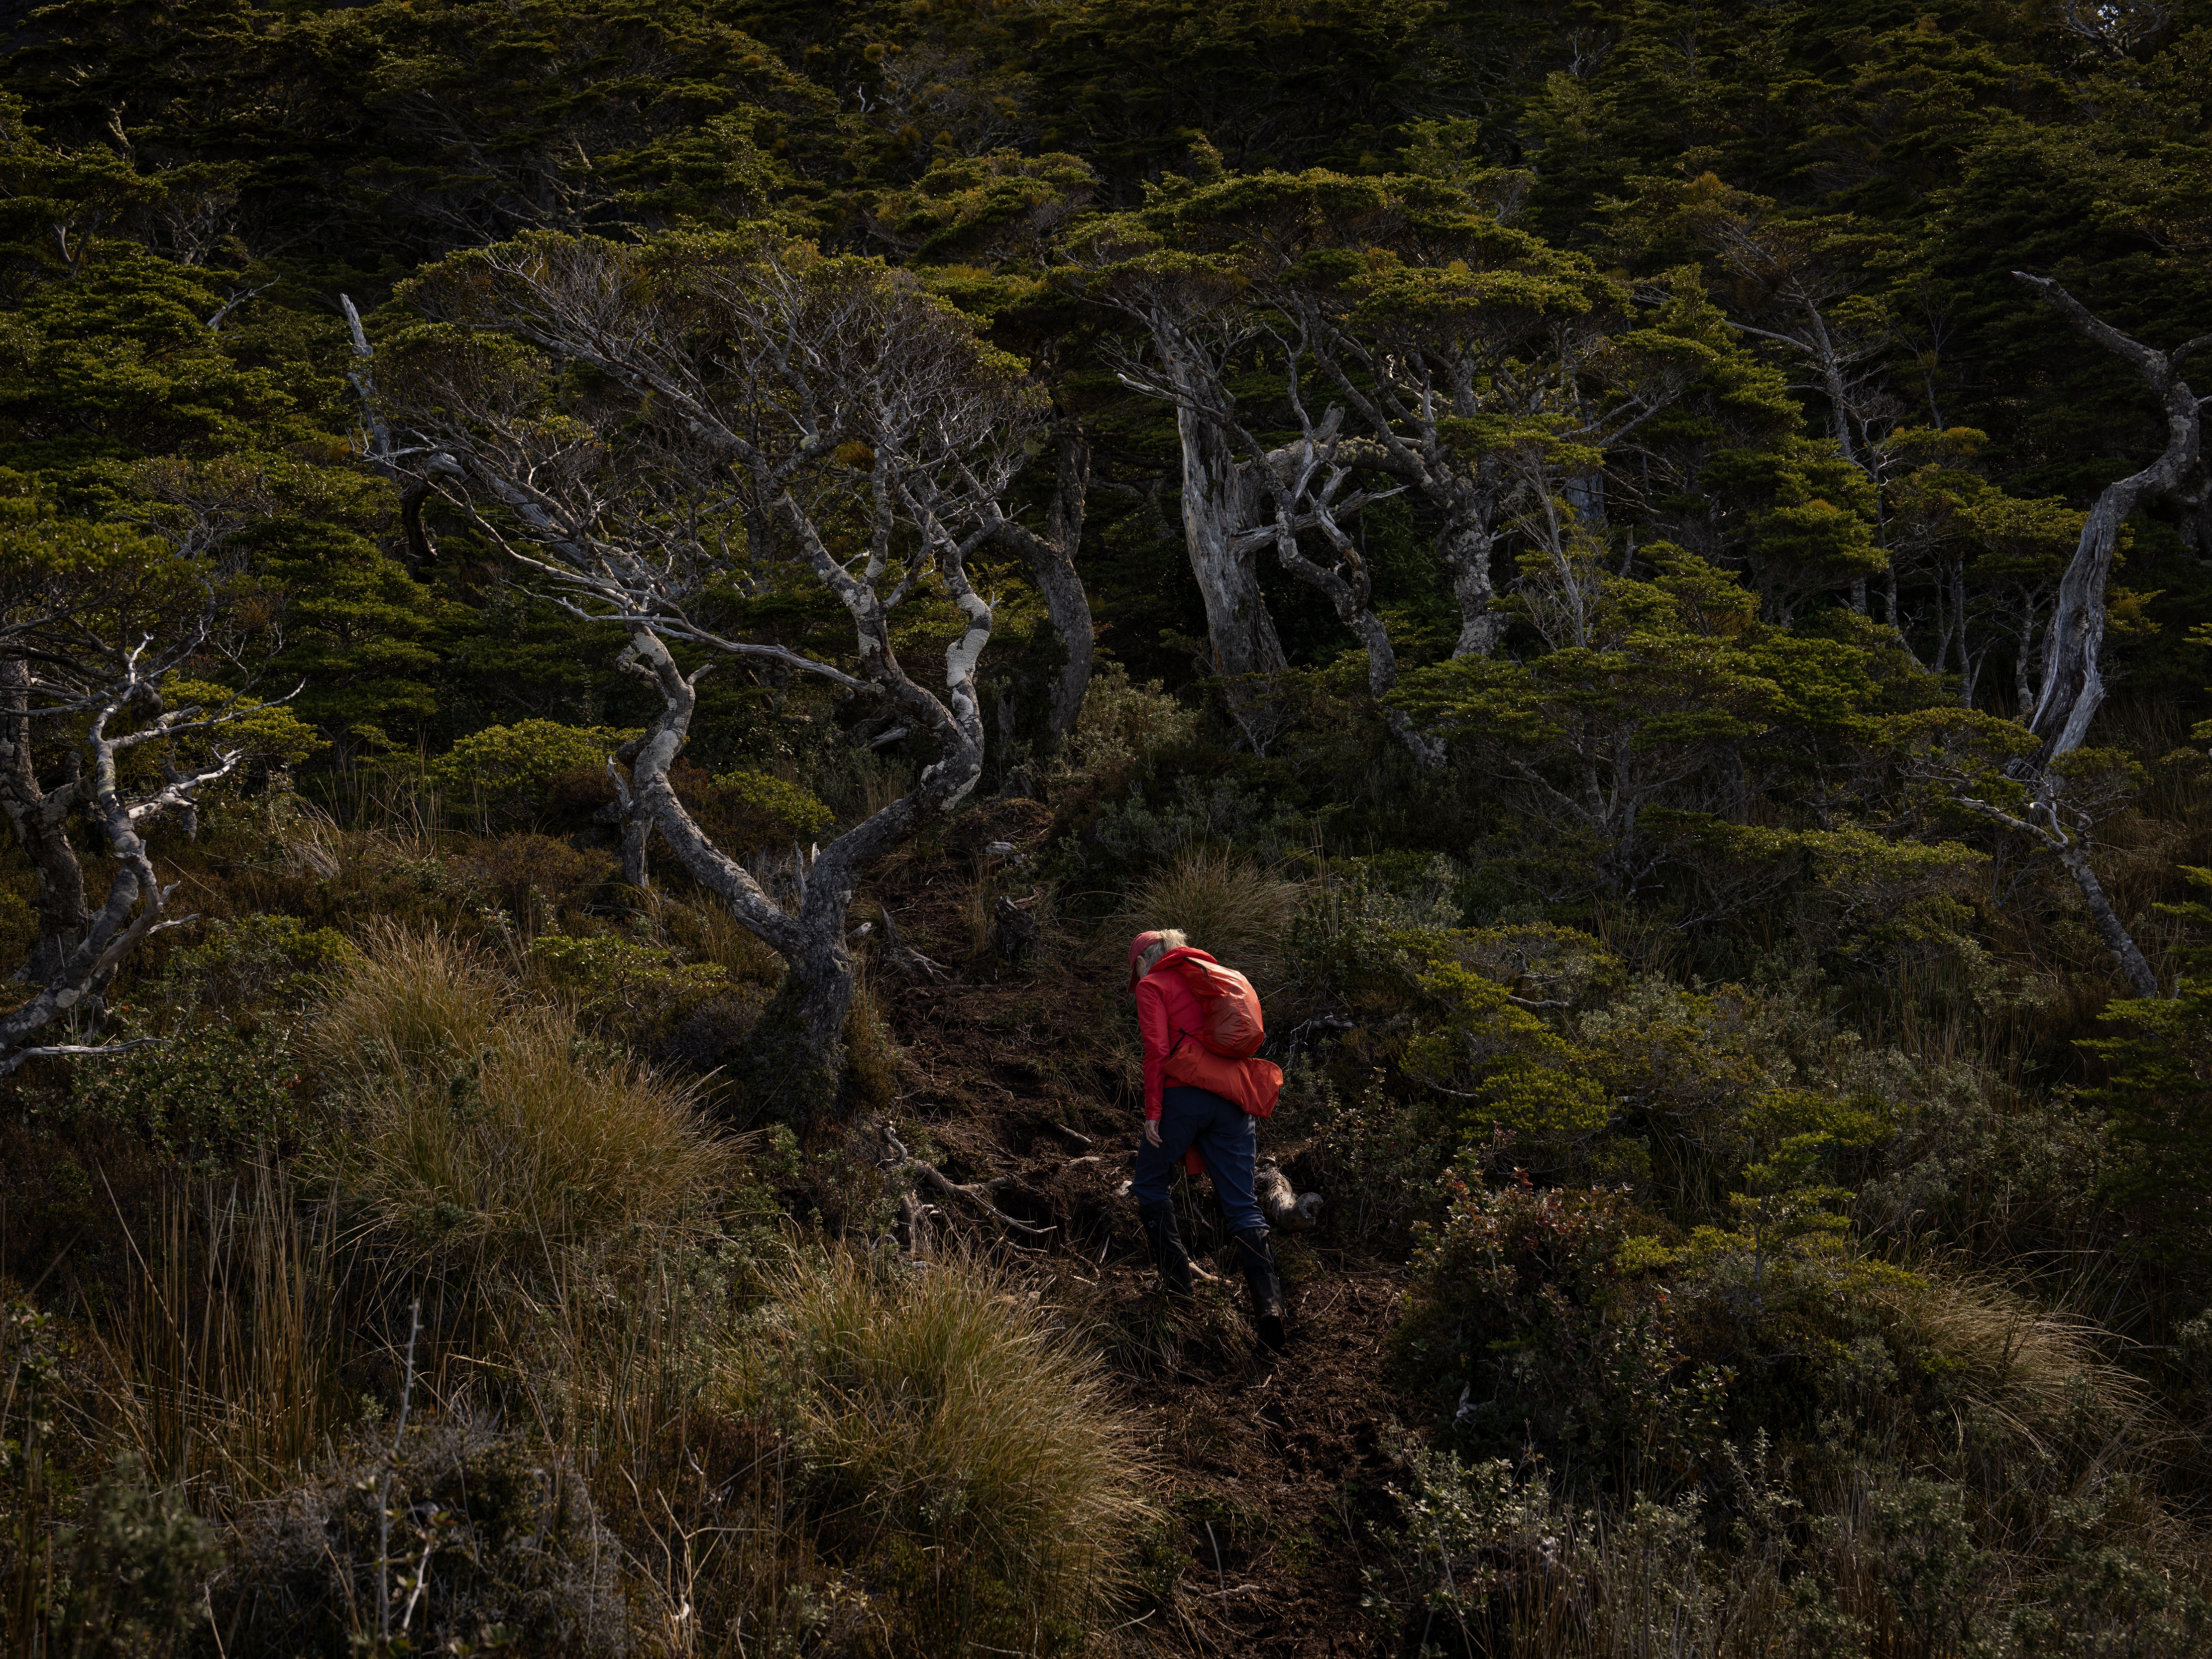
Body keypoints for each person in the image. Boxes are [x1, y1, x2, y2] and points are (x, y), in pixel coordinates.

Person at [1128, 928, 1287, 1352]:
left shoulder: (1152, 985)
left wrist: (1154, 1113)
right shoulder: (1209, 973)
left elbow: (1157, 1050)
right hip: (1233, 1098)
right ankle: (1270, 1308)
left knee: (1148, 1184)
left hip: (1184, 1096)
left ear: (1145, 959)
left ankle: (1179, 1294)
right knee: (1242, 1204)